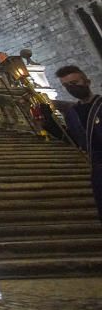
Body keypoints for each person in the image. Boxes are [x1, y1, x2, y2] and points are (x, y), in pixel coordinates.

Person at [54, 65, 102, 224]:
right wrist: (49, 123)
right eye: (67, 86)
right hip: (97, 167)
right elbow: (73, 139)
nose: (72, 88)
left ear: (86, 81)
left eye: (75, 83)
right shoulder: (72, 113)